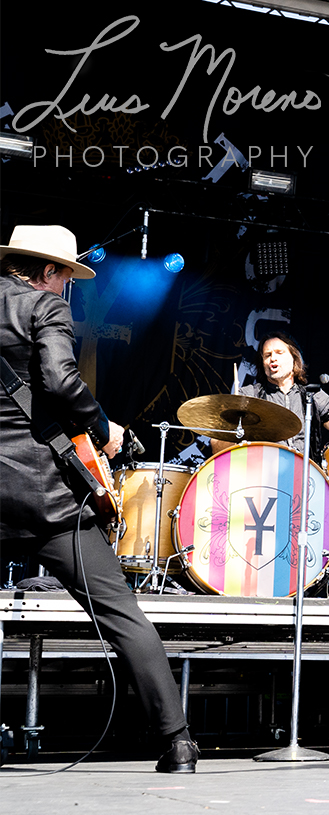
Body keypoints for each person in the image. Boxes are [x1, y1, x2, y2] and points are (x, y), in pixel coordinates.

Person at [0, 225, 199, 772]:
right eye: (65, 276)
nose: (67, 288)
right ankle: (177, 741)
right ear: (46, 272)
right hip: (47, 500)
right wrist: (104, 428)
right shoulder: (43, 308)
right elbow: (61, 382)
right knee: (121, 615)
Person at [210, 332, 329, 456]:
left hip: (307, 477)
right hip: (261, 478)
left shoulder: (312, 395)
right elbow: (216, 445)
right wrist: (233, 431)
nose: (273, 358)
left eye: (279, 353)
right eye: (267, 355)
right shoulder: (248, 395)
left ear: (294, 358)